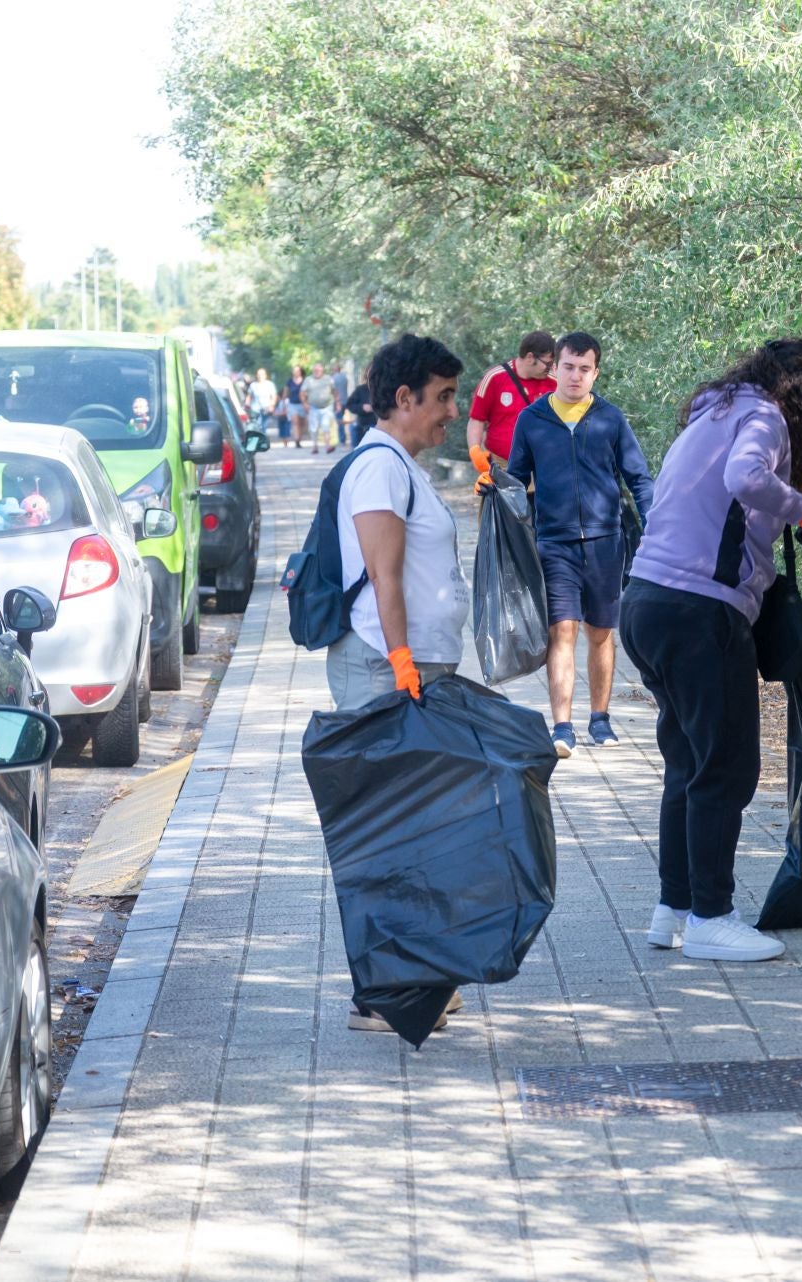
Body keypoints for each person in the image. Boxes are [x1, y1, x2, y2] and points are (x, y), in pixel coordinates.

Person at [618, 338, 802, 963]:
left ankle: (675, 908)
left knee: (689, 764)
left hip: (645, 601)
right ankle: (712, 918)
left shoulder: (714, 411)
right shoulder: (764, 416)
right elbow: (744, 477)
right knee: (726, 768)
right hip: (699, 613)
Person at [327, 333, 471, 1033]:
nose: (453, 411)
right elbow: (384, 578)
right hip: (387, 670)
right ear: (404, 397)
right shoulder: (379, 468)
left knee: (417, 830)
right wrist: (405, 664)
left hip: (409, 670)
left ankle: (416, 980)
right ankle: (381, 996)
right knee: (389, 833)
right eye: (443, 397)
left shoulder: (403, 467)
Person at [501, 332, 654, 759]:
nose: (575, 376)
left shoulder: (611, 419)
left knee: (601, 633)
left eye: (585, 369)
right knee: (562, 630)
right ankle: (562, 727)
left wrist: (656, 524)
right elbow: (516, 480)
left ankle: (600, 719)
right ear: (555, 368)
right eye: (568, 367)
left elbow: (638, 479)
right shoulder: (532, 419)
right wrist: (496, 494)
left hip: (606, 542)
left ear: (596, 373)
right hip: (554, 542)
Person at [466, 330, 556, 473]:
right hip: (501, 466)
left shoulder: (555, 382)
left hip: (542, 467)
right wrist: (475, 451)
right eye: (547, 363)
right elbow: (477, 419)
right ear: (530, 357)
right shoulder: (494, 378)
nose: (550, 367)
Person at [304, 362, 342, 454]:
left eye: (319, 370)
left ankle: (327, 446)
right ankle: (315, 446)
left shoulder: (328, 379)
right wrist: (305, 404)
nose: (317, 371)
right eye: (315, 370)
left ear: (322, 370)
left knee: (326, 426)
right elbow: (302, 393)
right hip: (313, 407)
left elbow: (334, 391)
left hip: (327, 407)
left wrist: (338, 403)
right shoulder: (308, 380)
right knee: (314, 428)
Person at [343, 378, 377, 448]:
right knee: (354, 429)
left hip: (378, 424)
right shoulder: (360, 389)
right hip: (363, 423)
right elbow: (349, 405)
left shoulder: (381, 389)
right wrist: (362, 407)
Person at [250, 367, 281, 439]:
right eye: (259, 374)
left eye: (262, 374)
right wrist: (247, 404)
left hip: (266, 408)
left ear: (265, 375)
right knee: (257, 425)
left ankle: (262, 438)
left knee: (264, 425)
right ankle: (259, 438)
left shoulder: (270, 384)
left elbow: (274, 396)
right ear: (256, 375)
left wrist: (272, 405)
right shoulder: (253, 385)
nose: (260, 376)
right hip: (255, 409)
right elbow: (249, 396)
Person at [284, 364, 309, 448]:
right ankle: (296, 439)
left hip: (303, 404)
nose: (296, 372)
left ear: (301, 372)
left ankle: (299, 439)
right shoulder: (289, 381)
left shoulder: (305, 381)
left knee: (301, 423)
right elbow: (286, 392)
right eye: (294, 371)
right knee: (295, 422)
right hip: (292, 404)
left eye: (297, 371)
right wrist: (284, 404)